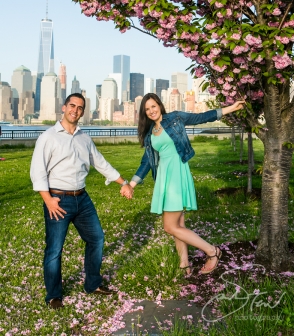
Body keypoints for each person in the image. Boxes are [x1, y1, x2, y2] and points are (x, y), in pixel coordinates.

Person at [30, 93, 132, 309]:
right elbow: (37, 172)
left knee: (97, 239)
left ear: (83, 112)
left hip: (82, 199)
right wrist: (48, 200)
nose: (75, 110)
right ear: (64, 107)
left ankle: (93, 284)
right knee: (54, 250)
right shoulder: (48, 137)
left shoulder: (84, 138)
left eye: (80, 107)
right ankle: (54, 295)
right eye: (72, 105)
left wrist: (123, 183)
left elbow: (101, 163)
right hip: (57, 200)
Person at [124, 93, 244, 275]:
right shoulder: (150, 134)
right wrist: (132, 184)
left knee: (169, 226)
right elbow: (146, 162)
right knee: (178, 224)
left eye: (153, 106)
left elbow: (202, 117)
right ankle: (184, 264)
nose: (151, 111)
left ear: (160, 105)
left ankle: (213, 252)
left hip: (177, 176)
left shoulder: (175, 118)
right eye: (147, 109)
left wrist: (231, 108)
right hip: (164, 177)